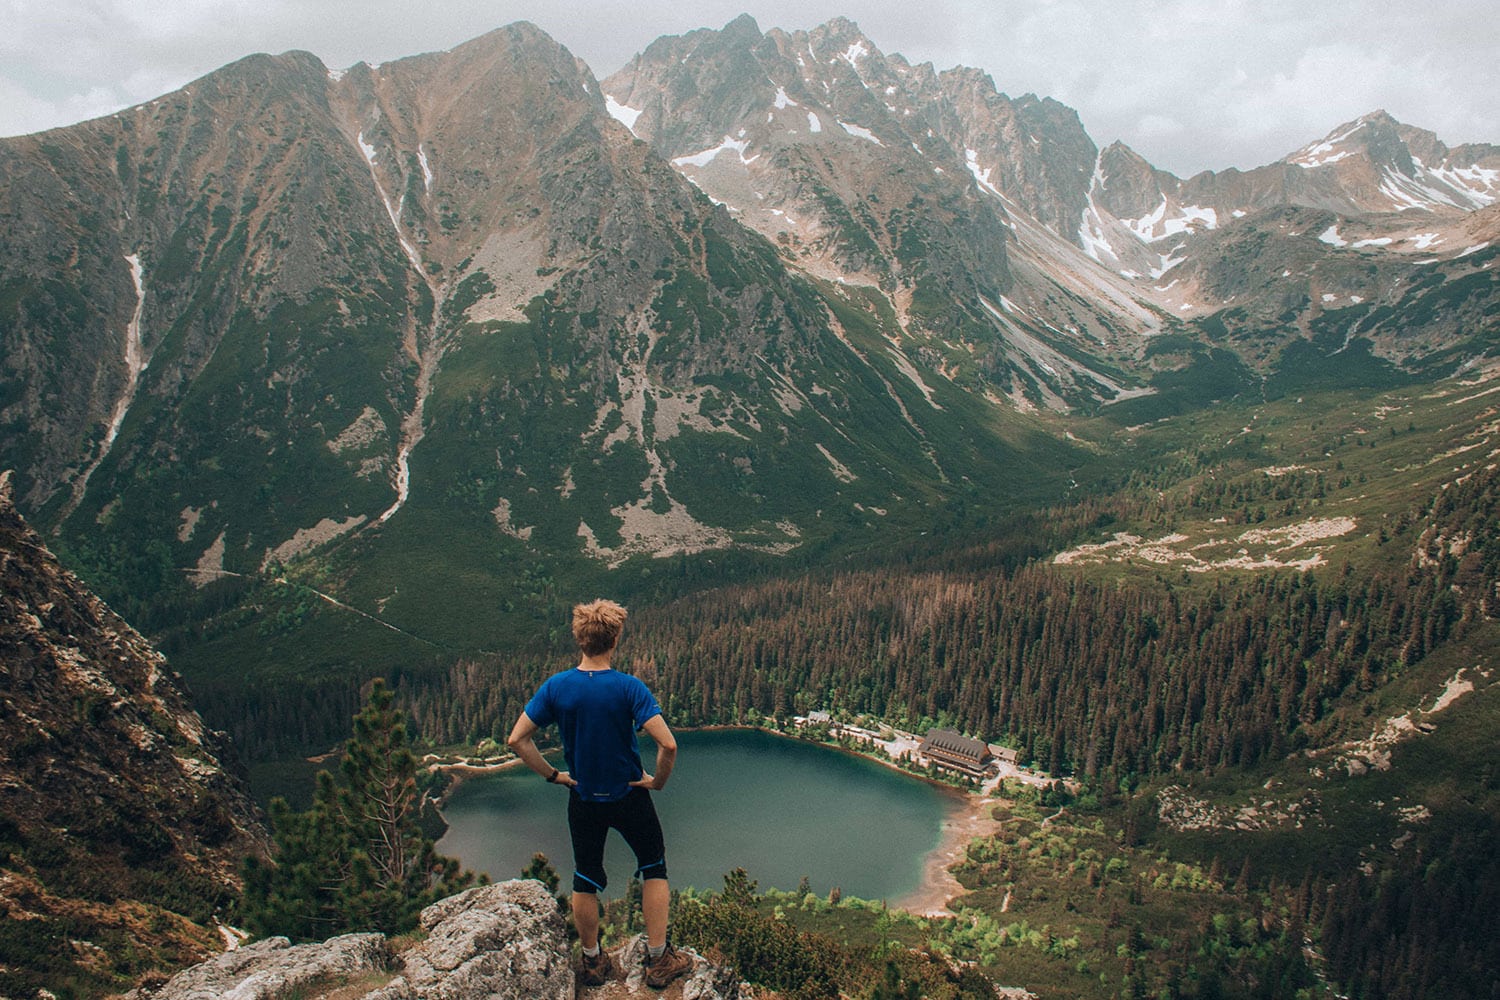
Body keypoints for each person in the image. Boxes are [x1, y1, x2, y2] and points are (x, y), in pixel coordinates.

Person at [507, 599, 692, 989]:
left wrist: (554, 775)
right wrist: (656, 782)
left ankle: (592, 962)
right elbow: (668, 745)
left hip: (583, 797)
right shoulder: (628, 687)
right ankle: (658, 960)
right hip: (629, 794)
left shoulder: (556, 687)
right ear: (615, 638)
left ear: (579, 639)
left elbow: (517, 739)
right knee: (653, 866)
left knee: (585, 877)